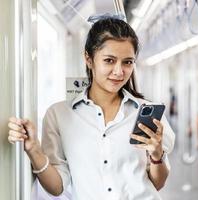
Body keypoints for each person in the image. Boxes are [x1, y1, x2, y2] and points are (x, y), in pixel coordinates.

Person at [7, 15, 175, 200]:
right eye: (109, 60)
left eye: (127, 62)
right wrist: (33, 149)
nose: (119, 72)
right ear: (88, 59)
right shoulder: (59, 115)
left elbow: (157, 184)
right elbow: (56, 187)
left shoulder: (146, 112)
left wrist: (157, 155)